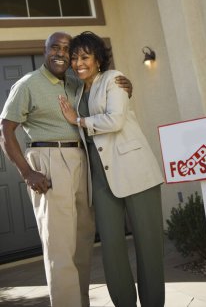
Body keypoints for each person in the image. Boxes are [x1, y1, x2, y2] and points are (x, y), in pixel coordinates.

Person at [0, 31, 132, 307]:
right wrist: (27, 173)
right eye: (55, 47)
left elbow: (104, 92)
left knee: (82, 244)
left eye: (66, 49)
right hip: (48, 160)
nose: (61, 53)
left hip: (81, 159)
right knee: (59, 247)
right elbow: (6, 130)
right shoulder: (28, 84)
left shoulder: (75, 82)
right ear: (45, 49)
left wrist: (125, 85)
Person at [58, 31, 165, 307]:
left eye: (85, 57)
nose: (78, 63)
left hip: (136, 172)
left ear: (98, 59)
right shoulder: (77, 86)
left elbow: (116, 120)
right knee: (111, 249)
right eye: (74, 58)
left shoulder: (114, 79)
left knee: (148, 245)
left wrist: (78, 120)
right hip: (101, 179)